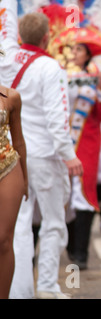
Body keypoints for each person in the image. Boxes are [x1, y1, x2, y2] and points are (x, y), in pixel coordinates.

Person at [0, 0, 83, 299]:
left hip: (14, 154)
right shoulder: (51, 67)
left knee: (18, 226)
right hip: (46, 155)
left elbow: (4, 23)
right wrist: (69, 155)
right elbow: (57, 118)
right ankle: (47, 285)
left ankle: (19, 290)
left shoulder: (6, 58)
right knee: (53, 222)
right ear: (48, 37)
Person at [57, 27, 101, 271]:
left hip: (87, 144)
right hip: (58, 143)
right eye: (73, 48)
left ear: (88, 54)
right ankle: (70, 247)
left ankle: (80, 252)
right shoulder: (55, 73)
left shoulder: (96, 77)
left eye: (80, 48)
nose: (74, 52)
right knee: (62, 195)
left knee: (83, 194)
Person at [0, 82, 28, 299]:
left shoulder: (11, 96)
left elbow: (18, 140)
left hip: (7, 165)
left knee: (3, 239)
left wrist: (25, 178)